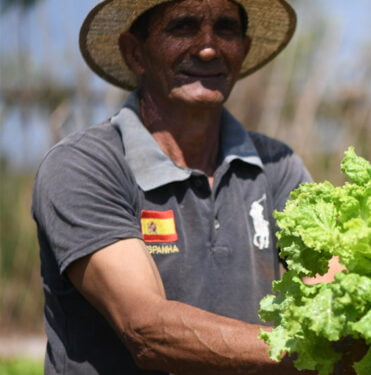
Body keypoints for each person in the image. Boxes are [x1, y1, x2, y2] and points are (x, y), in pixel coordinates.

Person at [31, 0, 338, 373]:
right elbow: (147, 330)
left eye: (225, 28)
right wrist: (307, 354)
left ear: (243, 50)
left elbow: (331, 289)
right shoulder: (86, 165)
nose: (209, 48)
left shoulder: (276, 166)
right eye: (183, 27)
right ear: (135, 53)